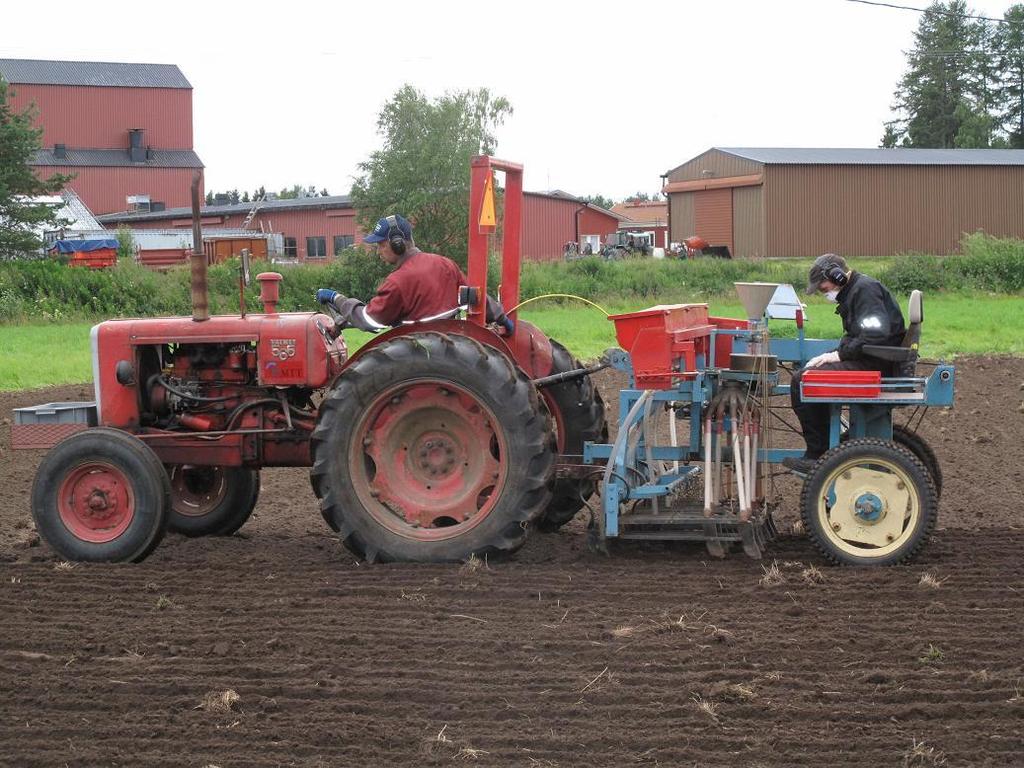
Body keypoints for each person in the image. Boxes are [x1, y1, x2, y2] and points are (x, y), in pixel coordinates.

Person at [782, 253, 907, 474]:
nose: (824, 292)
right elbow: (860, 334)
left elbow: (877, 332)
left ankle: (818, 455)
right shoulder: (856, 290)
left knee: (802, 381)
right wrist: (836, 352)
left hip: (876, 362)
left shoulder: (864, 290)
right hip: (873, 357)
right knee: (811, 370)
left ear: (837, 275)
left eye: (823, 287)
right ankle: (823, 451)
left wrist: (841, 355)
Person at [315, 214, 513, 334]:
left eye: (381, 245)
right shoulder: (445, 264)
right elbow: (475, 297)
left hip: (417, 354)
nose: (378, 251)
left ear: (397, 243)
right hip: (450, 345)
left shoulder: (398, 282)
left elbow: (370, 321)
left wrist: (337, 298)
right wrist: (501, 318)